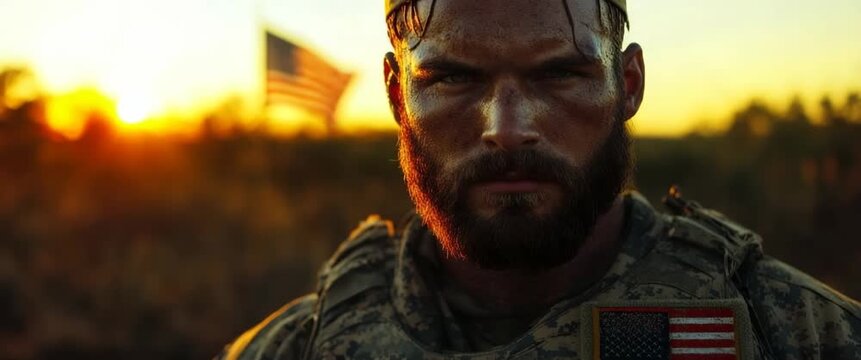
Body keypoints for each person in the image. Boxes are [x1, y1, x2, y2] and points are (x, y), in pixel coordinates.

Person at [218, 0, 861, 358]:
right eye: (452, 78)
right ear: (395, 94)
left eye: (559, 75)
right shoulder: (289, 351)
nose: (507, 127)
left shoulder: (801, 336)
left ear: (627, 85)